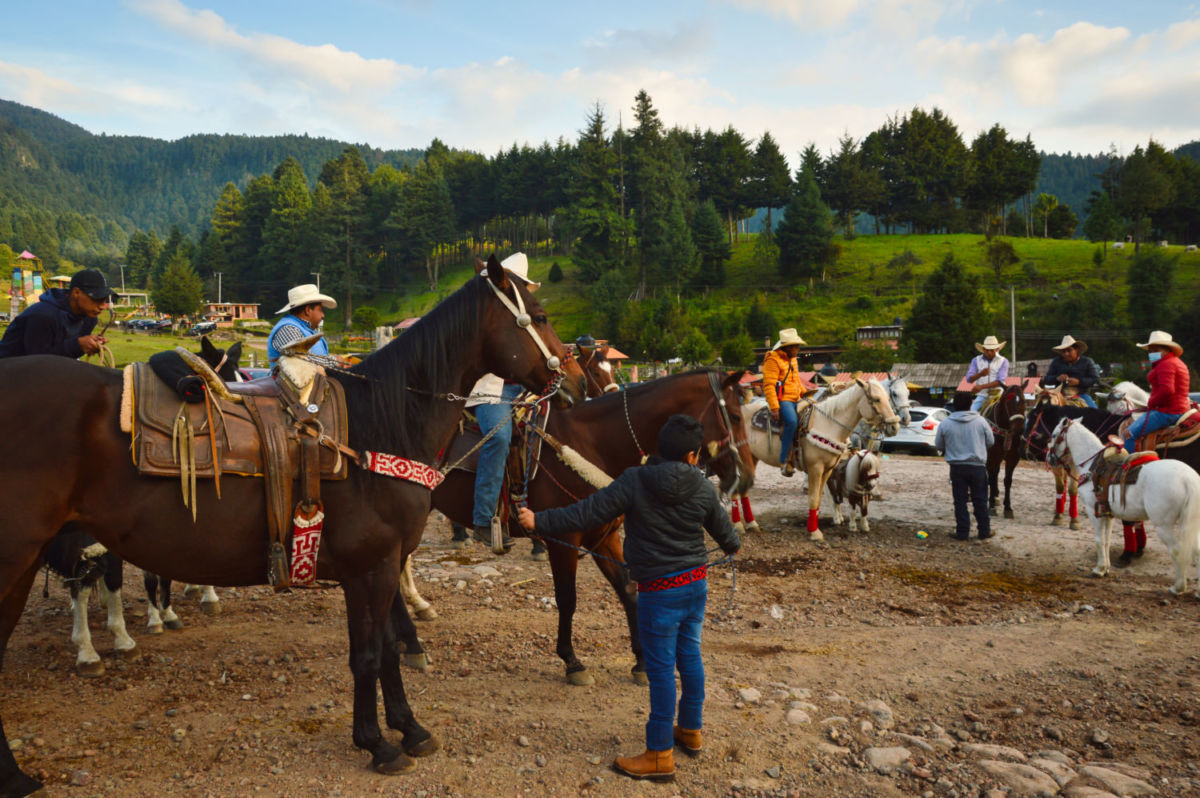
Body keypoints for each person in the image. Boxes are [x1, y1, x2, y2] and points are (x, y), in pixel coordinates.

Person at [517, 414, 740, 782]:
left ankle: (658, 754)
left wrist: (539, 521)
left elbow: (585, 513)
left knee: (661, 671)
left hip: (658, 594)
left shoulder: (634, 481)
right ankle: (691, 731)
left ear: (659, 448)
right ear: (691, 455)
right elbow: (730, 540)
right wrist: (725, 543)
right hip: (695, 586)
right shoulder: (702, 488)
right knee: (690, 658)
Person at [462, 253, 538, 554]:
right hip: (489, 389)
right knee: (500, 437)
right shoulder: (486, 313)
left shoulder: (518, 314)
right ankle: (482, 519)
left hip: (518, 387)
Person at [0, 268, 114, 359]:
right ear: (76, 292)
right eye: (96, 299)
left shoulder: (89, 318)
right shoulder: (43, 315)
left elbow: (67, 356)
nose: (103, 306)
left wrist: (88, 346)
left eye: (104, 300)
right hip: (10, 374)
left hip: (49, 372)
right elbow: (37, 362)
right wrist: (77, 345)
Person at [934, 391, 994, 541]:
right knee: (980, 500)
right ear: (970, 404)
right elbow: (991, 441)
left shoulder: (946, 423)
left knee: (959, 500)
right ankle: (984, 530)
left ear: (954, 405)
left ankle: (962, 532)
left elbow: (938, 445)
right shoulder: (981, 421)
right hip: (978, 466)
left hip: (957, 467)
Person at [1119, 331, 1191, 454]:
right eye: (1150, 351)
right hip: (1179, 408)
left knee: (1127, 435)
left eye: (1155, 350)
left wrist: (1151, 403)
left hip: (1168, 412)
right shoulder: (1176, 362)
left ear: (1167, 350)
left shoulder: (1165, 365)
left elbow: (1167, 390)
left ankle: (1129, 467)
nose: (1152, 354)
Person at [761, 328, 805, 476]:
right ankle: (784, 458)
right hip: (784, 400)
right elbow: (769, 386)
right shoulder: (773, 360)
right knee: (792, 422)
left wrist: (806, 394)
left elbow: (797, 380)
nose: (798, 349)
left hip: (797, 398)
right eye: (795, 346)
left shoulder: (793, 359)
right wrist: (774, 407)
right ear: (787, 347)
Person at [267, 283, 339, 367]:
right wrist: (335, 361)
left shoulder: (310, 331)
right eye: (320, 310)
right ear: (308, 310)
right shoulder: (288, 329)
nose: (323, 315)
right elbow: (301, 359)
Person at [1042, 335, 1101, 408]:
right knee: (1043, 412)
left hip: (1081, 394)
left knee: (1094, 413)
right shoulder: (1056, 361)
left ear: (1077, 350)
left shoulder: (1087, 362)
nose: (1066, 354)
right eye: (1064, 351)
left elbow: (1096, 379)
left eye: (1069, 350)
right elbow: (1047, 379)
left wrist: (1079, 382)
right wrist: (1057, 378)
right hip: (1060, 395)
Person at [965, 335, 1009, 412]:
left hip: (999, 394)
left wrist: (981, 387)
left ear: (997, 349)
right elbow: (969, 379)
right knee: (971, 414)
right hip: (982, 396)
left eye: (991, 350)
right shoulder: (976, 360)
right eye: (986, 350)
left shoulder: (1004, 361)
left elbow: (1000, 381)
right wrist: (980, 374)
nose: (989, 352)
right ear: (983, 349)